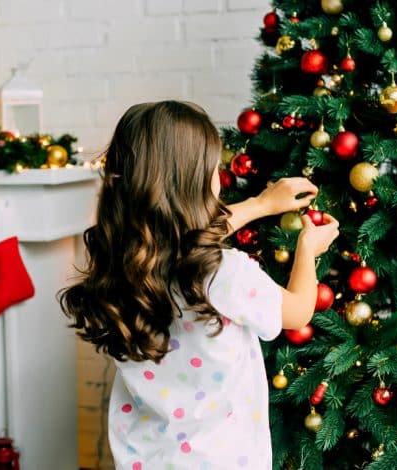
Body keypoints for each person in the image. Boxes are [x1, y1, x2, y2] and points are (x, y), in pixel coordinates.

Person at [60, 101, 339, 469]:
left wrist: (260, 204)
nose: (219, 176)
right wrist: (307, 250)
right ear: (193, 182)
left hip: (148, 456)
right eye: (213, 168)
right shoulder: (225, 273)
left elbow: (190, 238)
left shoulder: (121, 262)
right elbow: (298, 311)